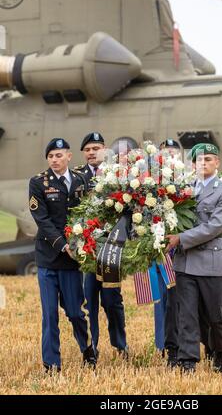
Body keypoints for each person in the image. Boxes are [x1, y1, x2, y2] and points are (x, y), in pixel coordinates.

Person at [166, 143, 222, 373]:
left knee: (214, 315)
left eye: (208, 159)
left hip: (211, 262)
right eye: (199, 160)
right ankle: (188, 361)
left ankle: (220, 352)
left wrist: (180, 238)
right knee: (186, 313)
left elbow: (214, 227)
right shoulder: (183, 188)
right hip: (186, 262)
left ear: (217, 162)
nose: (203, 163)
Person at [29, 138, 96, 372]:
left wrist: (82, 244)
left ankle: (87, 348)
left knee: (76, 312)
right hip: (48, 257)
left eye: (59, 155)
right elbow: (42, 220)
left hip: (72, 261)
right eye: (51, 156)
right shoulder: (38, 182)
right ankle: (52, 364)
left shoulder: (81, 180)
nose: (55, 160)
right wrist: (63, 244)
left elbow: (89, 213)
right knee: (50, 314)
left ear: (69, 156)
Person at [75, 132, 128, 359]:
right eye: (87, 150)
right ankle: (92, 348)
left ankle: (120, 344)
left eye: (95, 148)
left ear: (105, 149)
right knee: (88, 302)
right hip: (87, 249)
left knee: (111, 300)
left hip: (111, 248)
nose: (91, 153)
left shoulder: (117, 174)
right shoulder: (76, 177)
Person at [153, 139, 180, 367]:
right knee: (161, 298)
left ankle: (184, 343)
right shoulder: (149, 184)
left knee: (183, 300)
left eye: (173, 153)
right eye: (166, 153)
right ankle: (163, 345)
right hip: (160, 250)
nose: (170, 157)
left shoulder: (189, 182)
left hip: (184, 249)